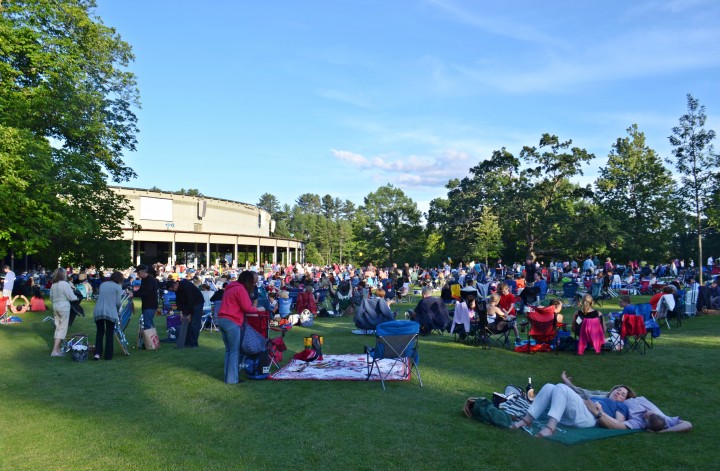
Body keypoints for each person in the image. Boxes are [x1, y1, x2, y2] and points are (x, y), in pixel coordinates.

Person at [563, 372, 692, 433]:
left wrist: (599, 412)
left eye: (646, 414)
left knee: (591, 394)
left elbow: (617, 424)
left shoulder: (637, 422)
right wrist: (665, 431)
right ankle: (568, 386)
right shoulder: (667, 419)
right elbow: (687, 424)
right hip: (621, 398)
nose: (646, 411)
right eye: (650, 411)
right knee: (592, 393)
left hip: (617, 402)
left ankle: (568, 388)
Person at [511, 382, 630, 437]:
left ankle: (550, 428)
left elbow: (619, 424)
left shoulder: (622, 406)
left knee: (561, 388)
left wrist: (600, 412)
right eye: (618, 390)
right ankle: (527, 420)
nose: (619, 393)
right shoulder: (600, 396)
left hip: (591, 418)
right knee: (549, 387)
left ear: (624, 400)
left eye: (623, 394)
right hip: (580, 410)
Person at [217, 270, 266, 384]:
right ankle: (232, 379)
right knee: (235, 351)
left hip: (222, 320)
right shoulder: (240, 289)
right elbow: (247, 307)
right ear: (248, 281)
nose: (254, 285)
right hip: (232, 321)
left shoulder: (230, 287)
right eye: (253, 283)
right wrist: (259, 309)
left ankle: (228, 376)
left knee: (229, 351)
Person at [93, 271, 124, 360]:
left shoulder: (103, 284)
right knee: (109, 333)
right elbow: (118, 302)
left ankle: (97, 353)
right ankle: (108, 355)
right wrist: (118, 311)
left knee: (100, 332)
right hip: (110, 312)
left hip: (98, 311)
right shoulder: (118, 287)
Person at [166, 275, 204, 348]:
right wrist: (181, 311)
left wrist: (189, 314)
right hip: (189, 304)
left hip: (197, 303)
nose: (174, 291)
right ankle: (187, 342)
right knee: (187, 324)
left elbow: (190, 301)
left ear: (175, 284)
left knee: (194, 324)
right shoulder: (177, 289)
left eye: (173, 289)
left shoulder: (186, 286)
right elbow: (179, 301)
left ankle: (194, 343)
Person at [49, 267, 78, 357]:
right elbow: (71, 297)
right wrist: (77, 297)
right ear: (62, 274)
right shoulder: (64, 284)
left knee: (58, 328)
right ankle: (54, 351)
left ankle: (57, 349)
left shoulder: (53, 285)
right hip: (63, 307)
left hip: (55, 306)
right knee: (62, 328)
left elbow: (51, 298)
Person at [135, 264, 160, 329]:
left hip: (150, 306)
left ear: (143, 272)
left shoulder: (150, 280)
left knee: (147, 325)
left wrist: (134, 294)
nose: (137, 274)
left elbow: (147, 293)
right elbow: (141, 290)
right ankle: (152, 338)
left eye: (138, 273)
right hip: (147, 305)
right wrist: (133, 293)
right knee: (149, 324)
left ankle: (149, 338)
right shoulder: (144, 280)